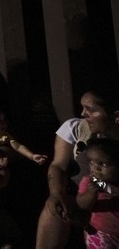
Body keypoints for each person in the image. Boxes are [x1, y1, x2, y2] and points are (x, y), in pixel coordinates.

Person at [36, 88, 119, 249]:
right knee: (55, 207)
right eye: (83, 108)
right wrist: (55, 193)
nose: (83, 114)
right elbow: (57, 165)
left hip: (113, 198)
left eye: (91, 110)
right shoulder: (77, 128)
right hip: (83, 199)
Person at [75, 137, 119, 249]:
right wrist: (90, 194)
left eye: (103, 164)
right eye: (91, 162)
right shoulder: (91, 181)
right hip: (100, 232)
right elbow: (82, 204)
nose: (95, 168)